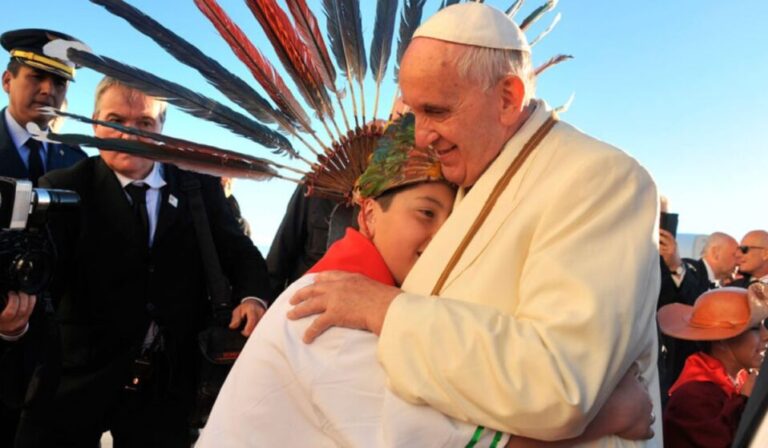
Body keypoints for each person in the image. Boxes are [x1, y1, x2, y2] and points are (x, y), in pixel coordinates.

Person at [288, 3, 662, 444]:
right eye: (414, 113)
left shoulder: (601, 179)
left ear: (507, 97)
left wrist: (385, 310)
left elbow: (558, 385)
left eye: (437, 111)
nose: (422, 136)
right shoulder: (467, 180)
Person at [199, 115, 654, 447]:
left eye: (453, 223)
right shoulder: (329, 313)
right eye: (426, 214)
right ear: (370, 215)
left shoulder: (357, 296)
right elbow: (441, 441)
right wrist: (609, 414)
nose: (440, 237)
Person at [13, 76, 272, 447]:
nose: (128, 133)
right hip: (76, 377)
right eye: (115, 119)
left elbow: (240, 251)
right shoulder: (66, 185)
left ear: (162, 129)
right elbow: (44, 274)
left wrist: (253, 297)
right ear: (95, 121)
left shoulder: (197, 185)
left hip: (167, 384)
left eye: (144, 124)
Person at [0, 28, 87, 447]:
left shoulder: (78, 159)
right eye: (36, 76)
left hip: (58, 355)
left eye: (60, 82)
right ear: (7, 80)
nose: (49, 90)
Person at [659, 285, 768, 447]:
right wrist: (746, 401)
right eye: (754, 328)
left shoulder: (740, 382)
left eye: (763, 325)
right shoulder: (691, 398)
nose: (765, 335)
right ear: (721, 340)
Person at [657, 231, 740, 401]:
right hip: (677, 374)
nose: (738, 260)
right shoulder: (689, 270)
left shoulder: (724, 287)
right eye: (734, 254)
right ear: (716, 253)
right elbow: (693, 303)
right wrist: (677, 268)